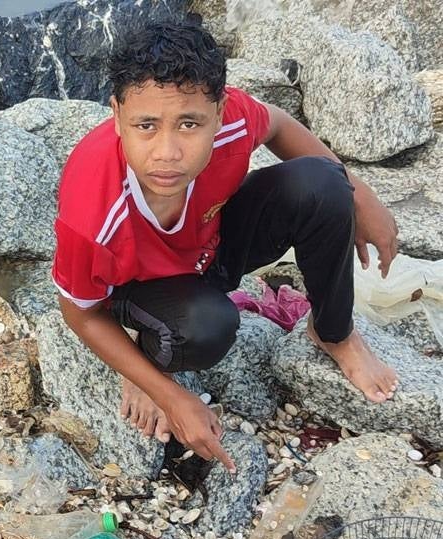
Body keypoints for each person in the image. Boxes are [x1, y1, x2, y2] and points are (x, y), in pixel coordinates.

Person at [52, 20, 400, 472]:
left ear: (218, 114)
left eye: (189, 124)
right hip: (137, 287)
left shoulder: (232, 119)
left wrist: (363, 199)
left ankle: (334, 332)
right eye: (146, 126)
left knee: (323, 183)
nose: (167, 151)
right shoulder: (93, 210)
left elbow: (277, 123)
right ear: (116, 115)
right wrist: (169, 394)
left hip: (211, 243)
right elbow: (79, 312)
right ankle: (144, 358)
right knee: (205, 327)